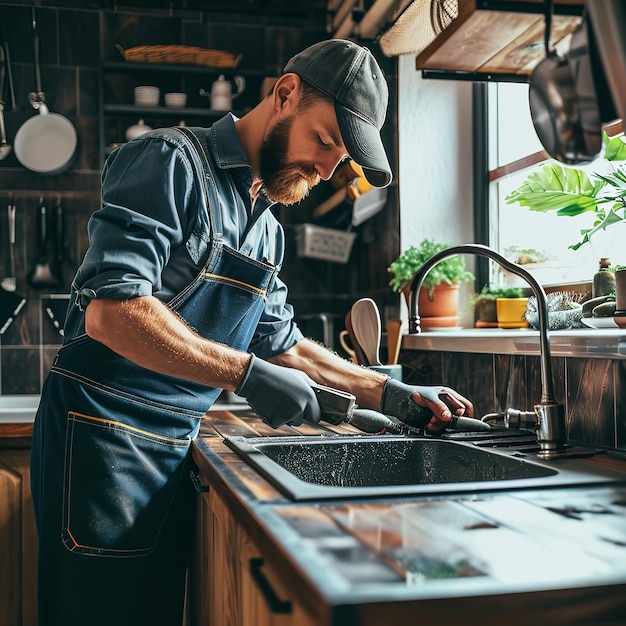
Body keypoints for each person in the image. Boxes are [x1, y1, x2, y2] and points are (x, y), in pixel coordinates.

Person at [30, 39, 474, 626]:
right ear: (285, 94)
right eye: (324, 141)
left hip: (174, 451)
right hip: (102, 445)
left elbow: (282, 343)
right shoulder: (169, 161)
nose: (326, 169)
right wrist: (243, 373)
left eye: (340, 158)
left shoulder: (266, 227)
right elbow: (112, 311)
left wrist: (390, 394)